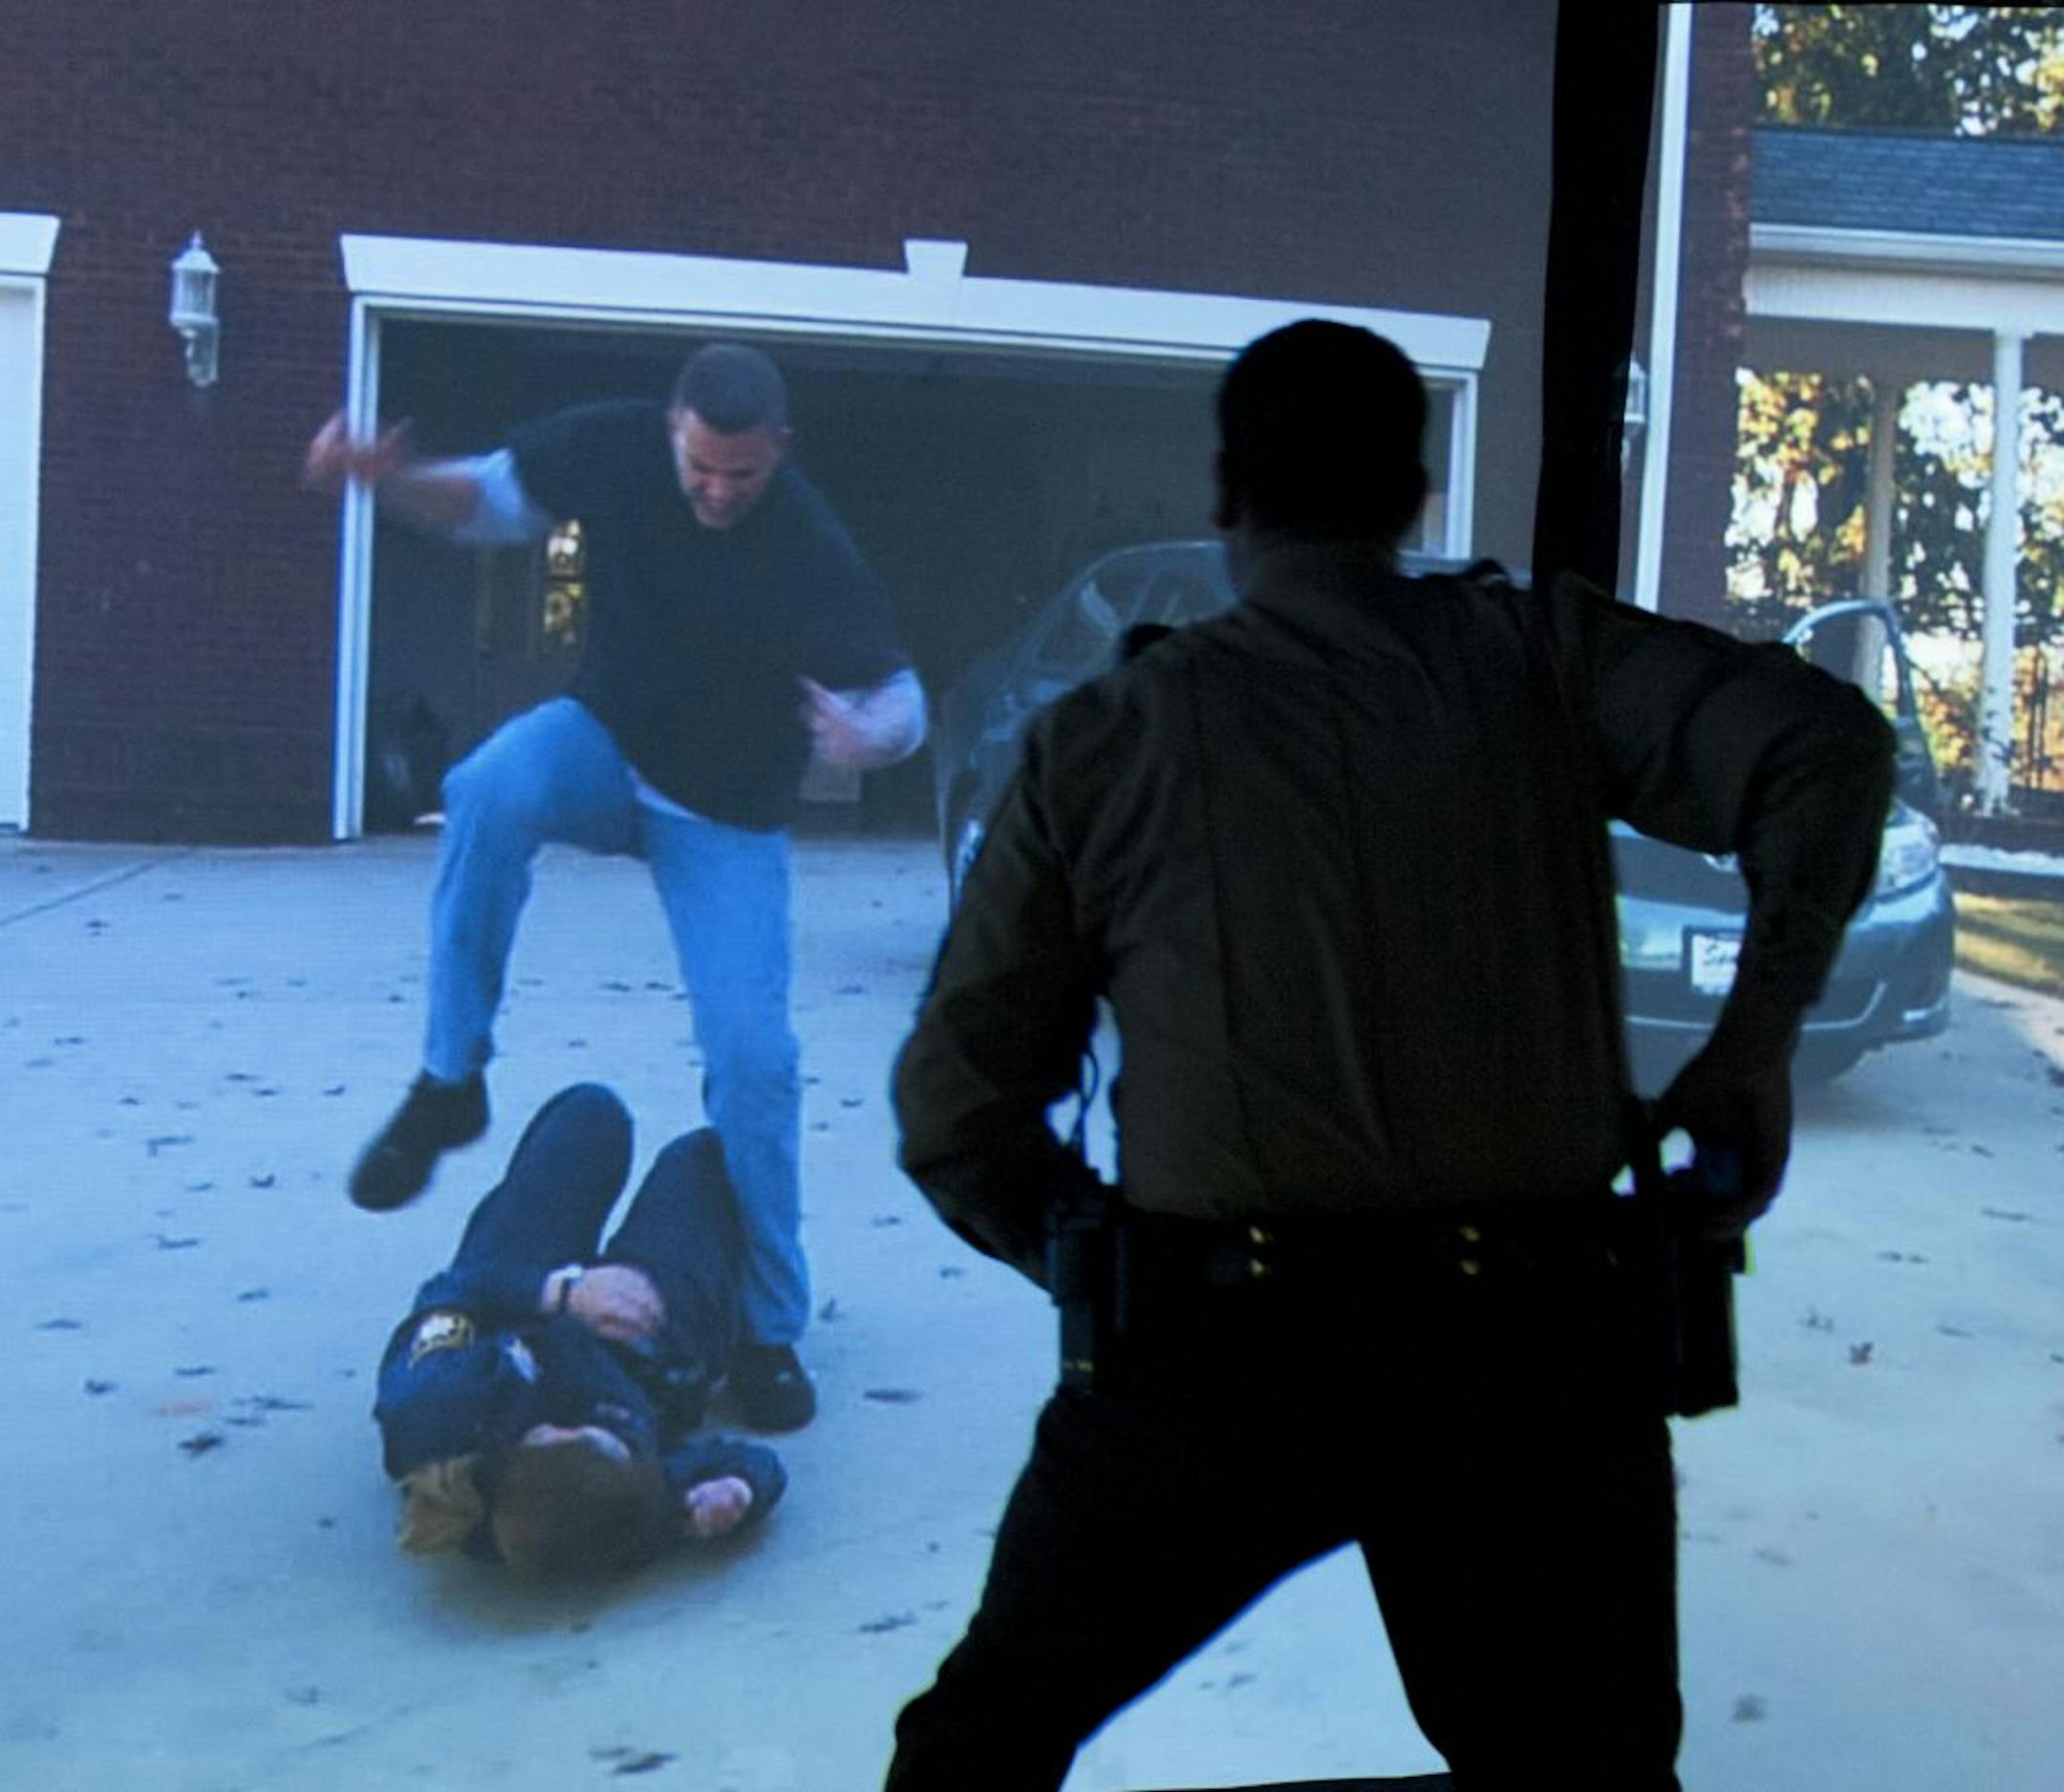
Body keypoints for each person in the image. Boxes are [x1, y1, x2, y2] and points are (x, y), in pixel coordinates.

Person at [883, 320, 1895, 1788]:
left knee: (978, 1748)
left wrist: (1087, 1253)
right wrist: (1754, 1044)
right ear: (1415, 494)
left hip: (1209, 1353)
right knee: (1581, 1771)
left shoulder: (1111, 737)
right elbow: (1825, 749)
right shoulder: (1543, 659)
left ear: (1228, 497)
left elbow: (952, 1107)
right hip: (1536, 1352)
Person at [306, 343, 928, 1430]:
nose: (720, 492)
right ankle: (451, 1080)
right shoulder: (612, 443)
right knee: (488, 786)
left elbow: (901, 695)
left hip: (723, 816)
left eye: (743, 473)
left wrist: (867, 736)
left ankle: (771, 1327)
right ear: (674, 430)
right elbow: (491, 500)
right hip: (607, 741)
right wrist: (384, 476)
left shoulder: (809, 541)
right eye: (702, 468)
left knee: (754, 1064)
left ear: (778, 449)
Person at [376, 1082, 786, 1579]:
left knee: (591, 1115)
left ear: (510, 1457)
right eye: (610, 1438)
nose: (569, 1418)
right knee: (706, 1160)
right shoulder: (628, 1507)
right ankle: (758, 1335)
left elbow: (453, 1292)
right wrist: (738, 1491)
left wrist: (561, 1292)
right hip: (644, 1351)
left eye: (563, 1430)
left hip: (511, 1306)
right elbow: (750, 1463)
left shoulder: (437, 1409)